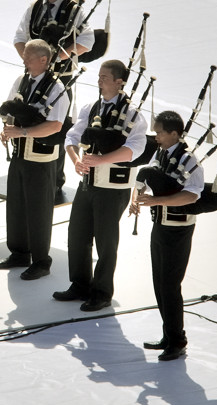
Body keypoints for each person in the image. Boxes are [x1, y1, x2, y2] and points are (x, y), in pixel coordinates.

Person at [56, 60, 149, 311]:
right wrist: (76, 160)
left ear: (120, 82)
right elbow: (72, 137)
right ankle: (80, 285)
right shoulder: (91, 107)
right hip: (88, 183)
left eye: (105, 77)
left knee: (106, 242)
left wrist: (101, 160)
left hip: (113, 188)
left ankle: (102, 292)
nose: (99, 81)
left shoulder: (133, 114)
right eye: (99, 76)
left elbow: (135, 149)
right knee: (77, 235)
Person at [13, 0, 93, 201]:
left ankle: (55, 179)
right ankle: (25, 164)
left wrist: (57, 57)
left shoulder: (74, 11)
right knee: (28, 115)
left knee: (56, 124)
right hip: (33, 75)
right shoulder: (35, 7)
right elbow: (19, 37)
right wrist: (30, 59)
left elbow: (87, 41)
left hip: (60, 78)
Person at [130, 110, 204, 361]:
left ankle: (178, 340)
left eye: (160, 132)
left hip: (178, 229)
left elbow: (192, 195)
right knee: (159, 283)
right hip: (160, 224)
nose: (156, 137)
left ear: (174, 134)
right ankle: (168, 335)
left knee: (171, 285)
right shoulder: (161, 154)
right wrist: (137, 197)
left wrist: (157, 201)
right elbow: (145, 178)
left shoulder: (189, 160)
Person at [0, 40, 69, 280]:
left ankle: (41, 261)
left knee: (38, 211)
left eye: (28, 57)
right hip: (19, 154)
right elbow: (9, 110)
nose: (24, 60)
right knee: (16, 206)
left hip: (41, 159)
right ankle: (19, 253)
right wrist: (7, 129)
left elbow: (55, 125)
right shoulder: (21, 81)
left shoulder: (57, 88)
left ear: (43, 60)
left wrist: (23, 132)